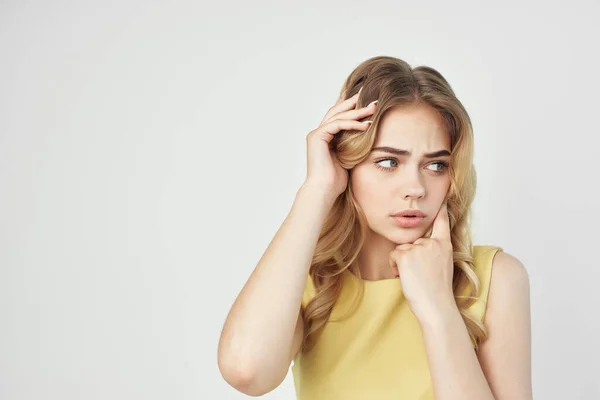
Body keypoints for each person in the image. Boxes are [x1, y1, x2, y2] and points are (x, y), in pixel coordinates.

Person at [217, 56, 532, 399]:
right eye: (388, 162)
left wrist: (438, 308)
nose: (416, 187)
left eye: (436, 165)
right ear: (347, 164)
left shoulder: (494, 278)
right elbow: (245, 371)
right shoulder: (311, 283)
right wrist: (317, 189)